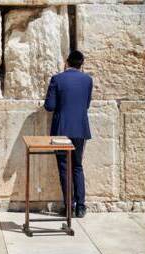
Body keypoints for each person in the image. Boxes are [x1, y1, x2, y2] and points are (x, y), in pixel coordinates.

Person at [44, 50, 93, 218]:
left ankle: (69, 207)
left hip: (61, 130)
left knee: (65, 167)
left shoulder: (57, 79)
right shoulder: (88, 80)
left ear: (66, 62)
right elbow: (86, 105)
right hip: (80, 128)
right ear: (81, 64)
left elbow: (49, 106)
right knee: (77, 166)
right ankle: (81, 207)